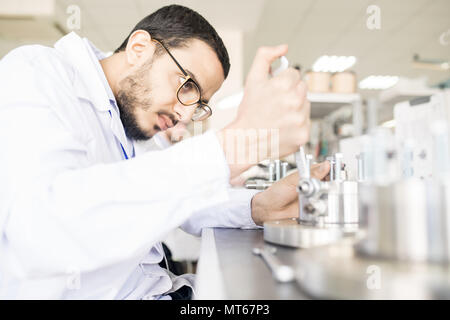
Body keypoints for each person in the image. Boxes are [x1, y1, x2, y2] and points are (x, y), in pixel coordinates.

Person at [0, 5, 328, 299]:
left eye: (199, 104)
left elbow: (184, 203)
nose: (185, 116)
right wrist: (237, 142)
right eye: (187, 85)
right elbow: (45, 227)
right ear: (139, 48)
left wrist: (258, 207)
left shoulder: (133, 118)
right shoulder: (36, 73)